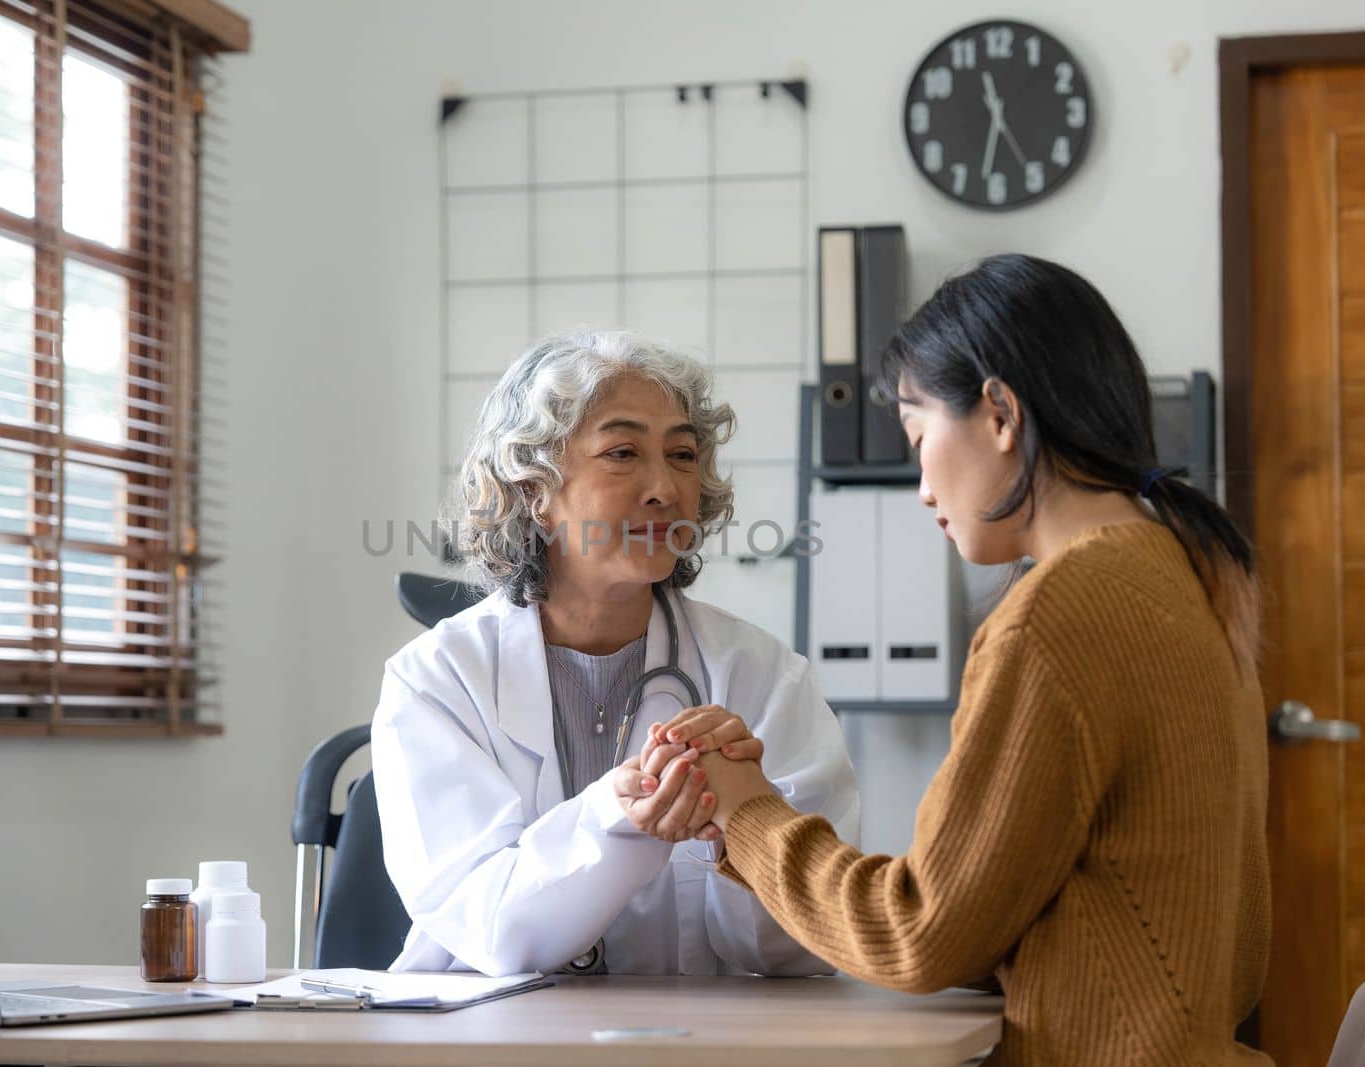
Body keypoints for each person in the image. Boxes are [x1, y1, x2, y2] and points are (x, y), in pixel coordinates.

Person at [656, 255, 1270, 1064]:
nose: (920, 487)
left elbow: (917, 931)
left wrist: (745, 812)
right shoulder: (1190, 572)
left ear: (1001, 413)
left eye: (918, 437)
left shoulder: (1060, 612)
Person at [371, 331, 860, 977]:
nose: (664, 486)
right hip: (490, 1040)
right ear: (532, 489)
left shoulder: (762, 676)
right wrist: (617, 818)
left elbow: (801, 949)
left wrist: (746, 826)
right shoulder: (436, 680)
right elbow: (494, 933)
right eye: (623, 452)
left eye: (682, 454)